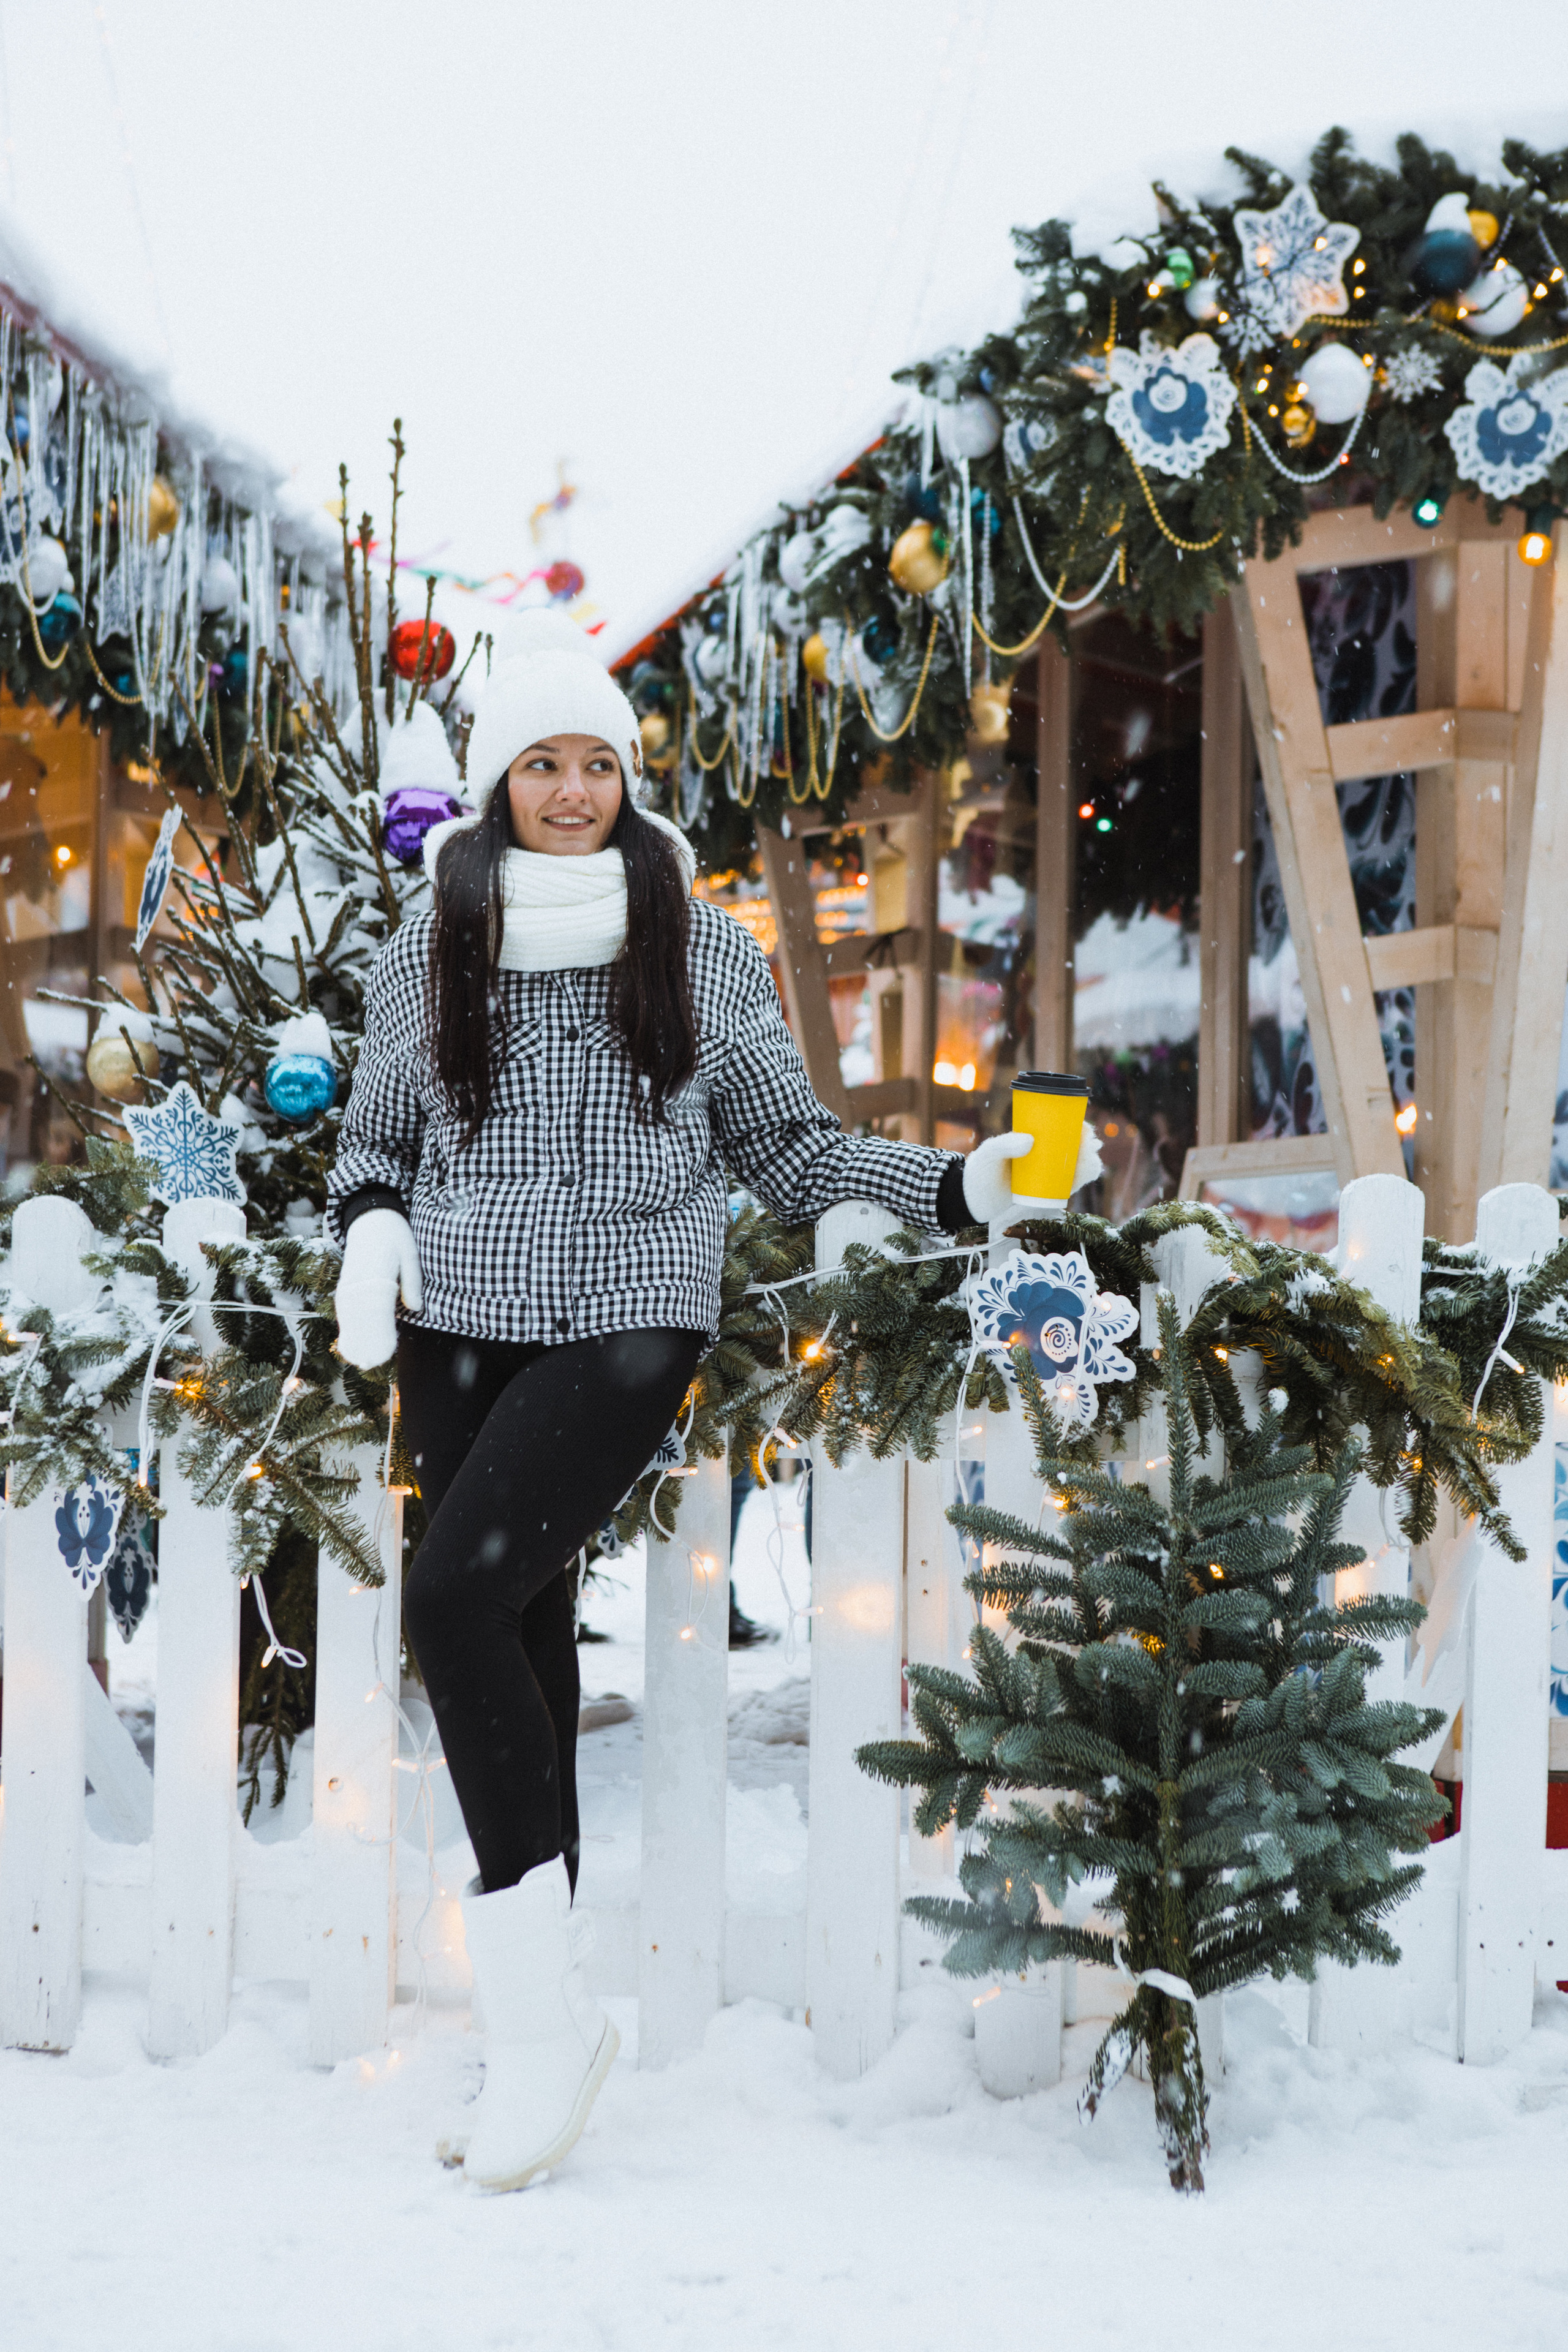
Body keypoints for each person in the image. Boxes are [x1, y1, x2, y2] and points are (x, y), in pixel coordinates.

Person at [328, 611, 1099, 2192]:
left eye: (595, 762)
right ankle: (545, 2016)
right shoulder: (432, 943)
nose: (570, 789)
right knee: (518, 1636)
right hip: (453, 1312)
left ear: (626, 775)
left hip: (627, 1308)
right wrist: (370, 1231)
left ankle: (542, 2036)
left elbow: (792, 1152)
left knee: (455, 1610)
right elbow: (376, 1141)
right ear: (497, 783)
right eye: (540, 764)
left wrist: (966, 1184)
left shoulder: (701, 939)